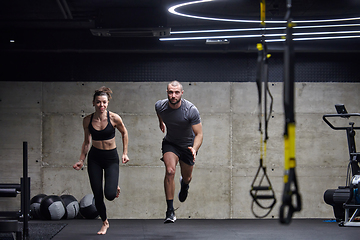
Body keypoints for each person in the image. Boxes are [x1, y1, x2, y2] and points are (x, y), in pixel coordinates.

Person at [73, 86, 129, 235]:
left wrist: (125, 153)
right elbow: (86, 142)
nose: (101, 105)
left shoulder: (114, 118)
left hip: (111, 158)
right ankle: (104, 222)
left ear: (108, 103)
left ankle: (114, 185)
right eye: (98, 102)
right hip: (95, 158)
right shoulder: (87, 120)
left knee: (109, 195)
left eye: (104, 102)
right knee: (97, 194)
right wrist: (81, 160)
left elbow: (124, 133)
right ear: (93, 103)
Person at [155, 80, 203, 223]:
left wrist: (194, 149)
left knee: (187, 177)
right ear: (167, 93)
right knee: (170, 171)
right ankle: (170, 211)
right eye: (170, 92)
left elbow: (199, 134)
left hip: (188, 146)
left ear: (181, 93)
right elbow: (159, 112)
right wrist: (160, 122)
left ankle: (185, 184)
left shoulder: (190, 110)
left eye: (176, 92)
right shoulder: (160, 106)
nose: (173, 95)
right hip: (171, 143)